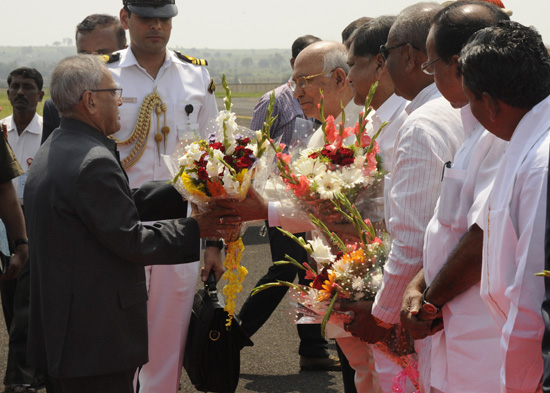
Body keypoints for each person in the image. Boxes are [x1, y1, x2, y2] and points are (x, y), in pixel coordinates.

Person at [24, 54, 234, 393]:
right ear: (90, 100)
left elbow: (107, 208)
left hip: (66, 331)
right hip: (95, 341)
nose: (120, 100)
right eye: (114, 92)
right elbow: (131, 239)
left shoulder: (60, 146)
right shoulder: (93, 161)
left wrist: (185, 190)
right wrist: (200, 227)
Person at [339, 3, 464, 391]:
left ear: (407, 56)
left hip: (420, 308)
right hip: (449, 297)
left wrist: (381, 317)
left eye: (386, 55)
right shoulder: (460, 107)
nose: (383, 65)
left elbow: (412, 241)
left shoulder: (421, 124)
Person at [105, 1, 221, 391]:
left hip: (181, 228)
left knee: (169, 335)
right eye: (146, 18)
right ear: (125, 19)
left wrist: (214, 242)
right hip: (120, 225)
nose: (156, 26)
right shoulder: (104, 73)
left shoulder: (194, 74)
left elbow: (216, 160)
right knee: (115, 332)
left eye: (164, 18)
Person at [396, 3, 510, 392]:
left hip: (480, 341)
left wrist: (427, 299)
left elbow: (484, 235)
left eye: (432, 67)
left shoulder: (501, 130)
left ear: (458, 64)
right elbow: (451, 228)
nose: (432, 77)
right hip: (455, 328)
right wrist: (418, 284)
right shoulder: (476, 127)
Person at [239, 34, 342, 372]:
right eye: (299, 77)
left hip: (318, 197)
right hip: (283, 199)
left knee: (314, 273)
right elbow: (254, 150)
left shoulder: (336, 101)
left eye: (308, 79)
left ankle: (312, 346)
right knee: (286, 268)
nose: (301, 87)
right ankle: (235, 334)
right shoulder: (274, 101)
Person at [459, 21, 550, 393]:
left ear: (491, 103)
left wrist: (517, 385)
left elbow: (533, 297)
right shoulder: (531, 142)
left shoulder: (540, 164)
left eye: (470, 101)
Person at [344, 15, 413, 393]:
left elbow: (410, 219)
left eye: (353, 64)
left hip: (398, 279)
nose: (349, 75)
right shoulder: (373, 121)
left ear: (381, 62)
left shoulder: (407, 123)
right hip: (374, 268)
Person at [0, 66, 45, 393]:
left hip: (37, 220)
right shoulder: (0, 131)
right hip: (5, 220)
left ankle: (22, 377)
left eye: (27, 87)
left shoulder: (50, 131)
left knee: (29, 306)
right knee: (11, 297)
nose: (20, 92)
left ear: (40, 96)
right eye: (14, 86)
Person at [41, 13, 127, 143]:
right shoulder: (59, 106)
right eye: (85, 55)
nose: (93, 62)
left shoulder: (143, 98)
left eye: (103, 54)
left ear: (123, 52)